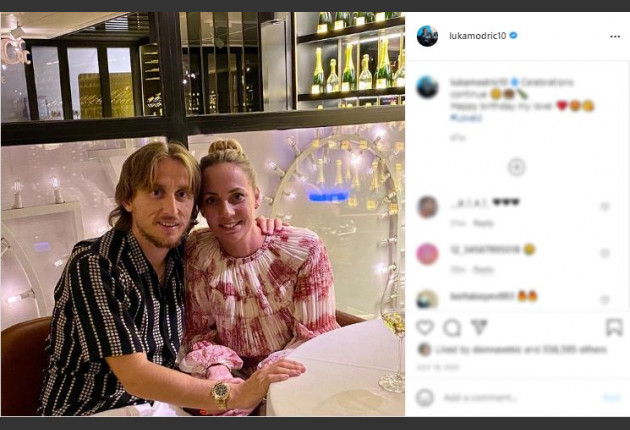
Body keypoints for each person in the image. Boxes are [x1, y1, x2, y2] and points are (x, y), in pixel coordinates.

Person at [37, 141, 305, 416]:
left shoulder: (184, 254)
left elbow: (236, 234)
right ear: (128, 199)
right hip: (91, 410)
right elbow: (136, 377)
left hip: (157, 406)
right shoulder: (95, 266)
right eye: (156, 192)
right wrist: (232, 394)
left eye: (182, 194)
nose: (172, 209)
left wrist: (261, 227)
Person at [178, 139, 340, 415]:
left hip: (293, 373)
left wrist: (261, 381)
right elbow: (198, 332)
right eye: (212, 200)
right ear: (202, 209)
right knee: (211, 409)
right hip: (226, 378)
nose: (226, 212)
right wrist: (220, 372)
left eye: (237, 197)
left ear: (256, 196)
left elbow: (316, 337)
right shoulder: (197, 252)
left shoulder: (302, 249)